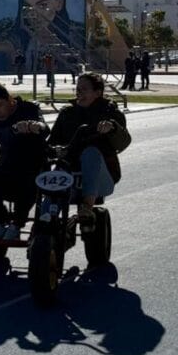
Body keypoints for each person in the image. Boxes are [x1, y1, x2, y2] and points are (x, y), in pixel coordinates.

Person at [48, 71, 131, 276]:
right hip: (70, 173)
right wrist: (56, 149)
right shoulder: (67, 113)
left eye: (84, 89)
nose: (79, 93)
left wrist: (112, 128)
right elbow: (51, 143)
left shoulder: (110, 112)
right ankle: (46, 220)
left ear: (98, 92)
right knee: (57, 167)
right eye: (77, 89)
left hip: (101, 176)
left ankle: (87, 208)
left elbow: (123, 142)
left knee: (91, 152)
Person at [0, 81, 50, 240]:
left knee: (28, 173)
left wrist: (36, 126)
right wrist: (15, 129)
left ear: (10, 100)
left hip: (35, 167)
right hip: (9, 168)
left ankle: (17, 224)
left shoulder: (29, 108)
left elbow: (45, 130)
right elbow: (1, 137)